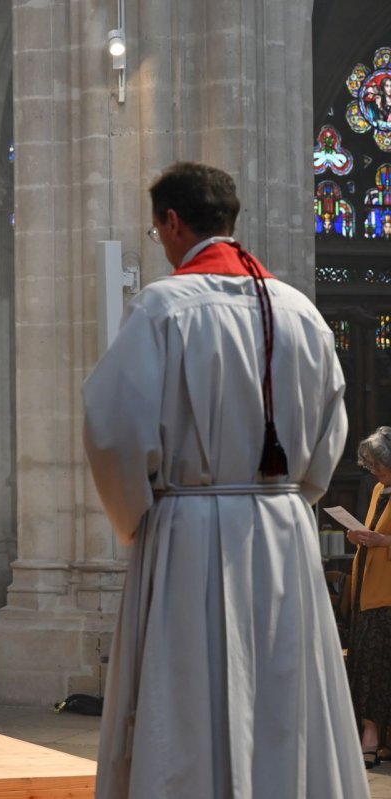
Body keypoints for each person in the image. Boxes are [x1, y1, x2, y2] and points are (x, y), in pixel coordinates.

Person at [84, 161, 365, 797]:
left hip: (191, 528)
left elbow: (113, 428)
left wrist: (136, 515)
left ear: (173, 222)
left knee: (188, 696)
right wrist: (288, 498)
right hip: (283, 530)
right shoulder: (301, 312)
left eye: (158, 233)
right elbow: (331, 433)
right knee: (285, 695)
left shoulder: (161, 308)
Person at [346, 427, 391, 769]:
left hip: (387, 592)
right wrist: (359, 535)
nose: (374, 470)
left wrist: (382, 542)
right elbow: (375, 530)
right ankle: (372, 734)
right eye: (371, 464)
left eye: (379, 463)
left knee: (379, 666)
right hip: (367, 587)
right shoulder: (378, 489)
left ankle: (374, 738)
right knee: (366, 664)